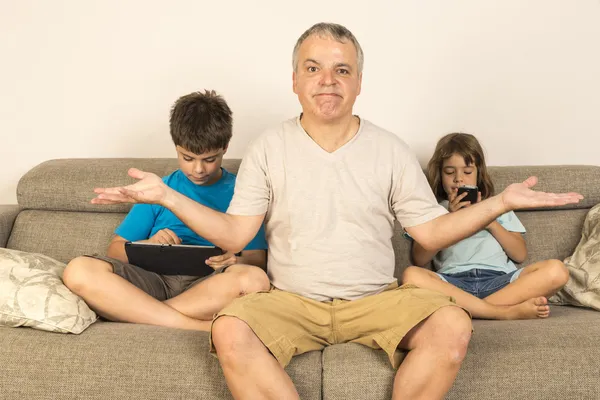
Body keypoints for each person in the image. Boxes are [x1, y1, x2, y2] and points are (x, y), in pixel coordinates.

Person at [89, 23, 583, 400]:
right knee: (230, 328)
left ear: (359, 82)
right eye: (313, 68)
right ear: (295, 79)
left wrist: (500, 202)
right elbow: (237, 235)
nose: (327, 81)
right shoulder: (267, 148)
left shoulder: (389, 150)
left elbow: (431, 233)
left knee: (452, 324)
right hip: (291, 299)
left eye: (341, 70)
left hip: (375, 298)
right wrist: (168, 196)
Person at [63, 90, 269, 332]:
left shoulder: (243, 191)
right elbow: (115, 250)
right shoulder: (159, 188)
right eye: (188, 158)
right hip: (154, 279)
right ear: (176, 147)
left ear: (225, 147)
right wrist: (149, 244)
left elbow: (258, 259)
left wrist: (235, 258)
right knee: (79, 270)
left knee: (254, 280)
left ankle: (135, 311)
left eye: (209, 159)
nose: (199, 169)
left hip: (209, 285)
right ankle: (194, 326)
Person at [402, 133, 570, 320]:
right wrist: (449, 218)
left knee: (557, 270)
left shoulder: (499, 206)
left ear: (479, 173)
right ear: (440, 174)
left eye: (467, 172)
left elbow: (520, 254)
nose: (459, 179)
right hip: (454, 284)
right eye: (450, 172)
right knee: (411, 275)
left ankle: (473, 310)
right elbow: (419, 258)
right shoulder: (434, 211)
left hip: (499, 282)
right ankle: (501, 312)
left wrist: (488, 220)